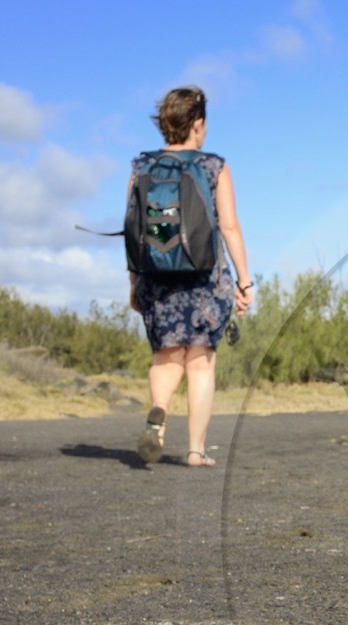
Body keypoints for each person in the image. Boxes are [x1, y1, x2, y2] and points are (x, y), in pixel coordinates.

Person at [129, 86, 252, 467]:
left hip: (156, 276)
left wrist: (135, 283)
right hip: (204, 279)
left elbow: (135, 230)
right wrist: (244, 282)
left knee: (166, 358)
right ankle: (196, 451)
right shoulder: (213, 166)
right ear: (198, 124)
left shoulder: (142, 167)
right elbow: (229, 227)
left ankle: (160, 411)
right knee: (201, 362)